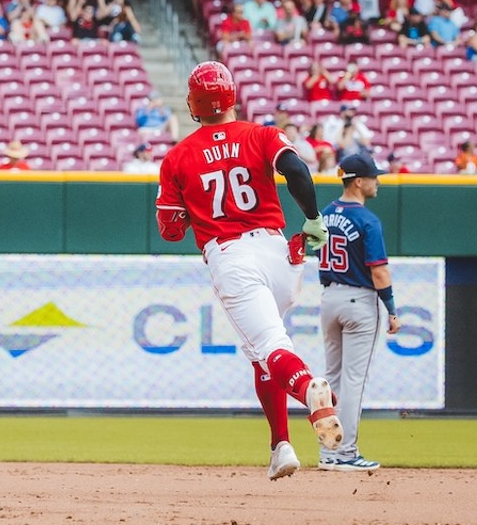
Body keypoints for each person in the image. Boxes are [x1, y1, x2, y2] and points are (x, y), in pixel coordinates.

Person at [155, 62, 340, 480]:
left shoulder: (178, 156)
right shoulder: (261, 134)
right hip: (278, 254)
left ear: (194, 103)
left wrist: (188, 214)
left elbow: (168, 229)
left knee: (273, 348)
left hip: (232, 258)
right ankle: (281, 446)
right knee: (261, 354)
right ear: (232, 95)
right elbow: (296, 169)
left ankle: (309, 387)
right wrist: (312, 218)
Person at [317, 155, 400, 472]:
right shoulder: (367, 220)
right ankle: (346, 453)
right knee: (352, 381)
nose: (377, 181)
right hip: (358, 300)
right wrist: (391, 309)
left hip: (329, 297)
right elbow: (379, 272)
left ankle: (327, 453)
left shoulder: (325, 214)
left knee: (332, 381)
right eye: (373, 177)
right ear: (358, 182)